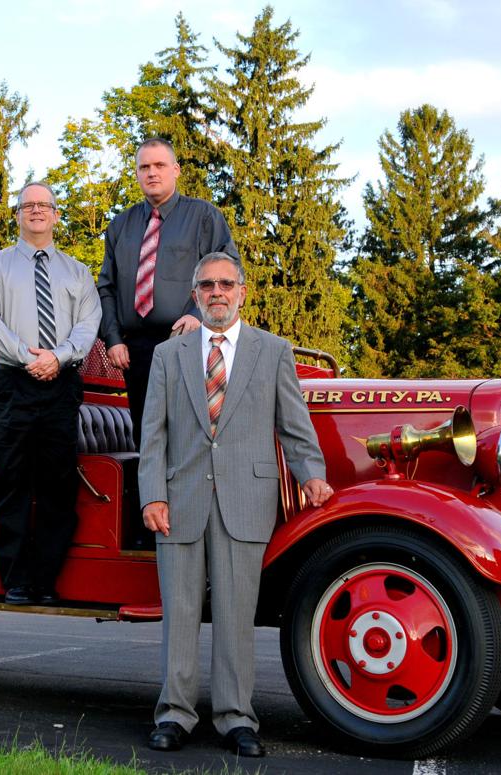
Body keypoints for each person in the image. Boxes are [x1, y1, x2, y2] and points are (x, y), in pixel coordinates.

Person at [139, 252, 332, 757]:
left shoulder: (273, 352)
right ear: (196, 295)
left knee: (235, 614)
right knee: (179, 614)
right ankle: (174, 715)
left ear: (242, 292)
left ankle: (235, 719)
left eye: (226, 284)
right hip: (179, 500)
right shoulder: (169, 355)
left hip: (247, 499)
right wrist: (152, 494)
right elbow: (153, 433)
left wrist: (311, 476)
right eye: (207, 285)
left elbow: (294, 425)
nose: (217, 293)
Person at [0, 182, 102, 605]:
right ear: (19, 215)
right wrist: (29, 356)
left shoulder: (77, 272)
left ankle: (45, 581)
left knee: (57, 485)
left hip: (60, 383)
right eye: (29, 205)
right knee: (8, 480)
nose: (37, 211)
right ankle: (16, 581)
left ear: (56, 215)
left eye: (44, 205)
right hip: (10, 380)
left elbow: (88, 323)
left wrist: (57, 357)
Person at [97, 137, 238, 446]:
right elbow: (105, 286)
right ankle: (151, 496)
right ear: (136, 173)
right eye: (144, 167)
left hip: (190, 344)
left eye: (160, 165)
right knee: (147, 437)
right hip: (136, 352)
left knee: (191, 436)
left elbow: (227, 274)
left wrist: (197, 315)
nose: (152, 173)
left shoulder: (204, 217)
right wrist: (113, 339)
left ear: (175, 170)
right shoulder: (120, 225)